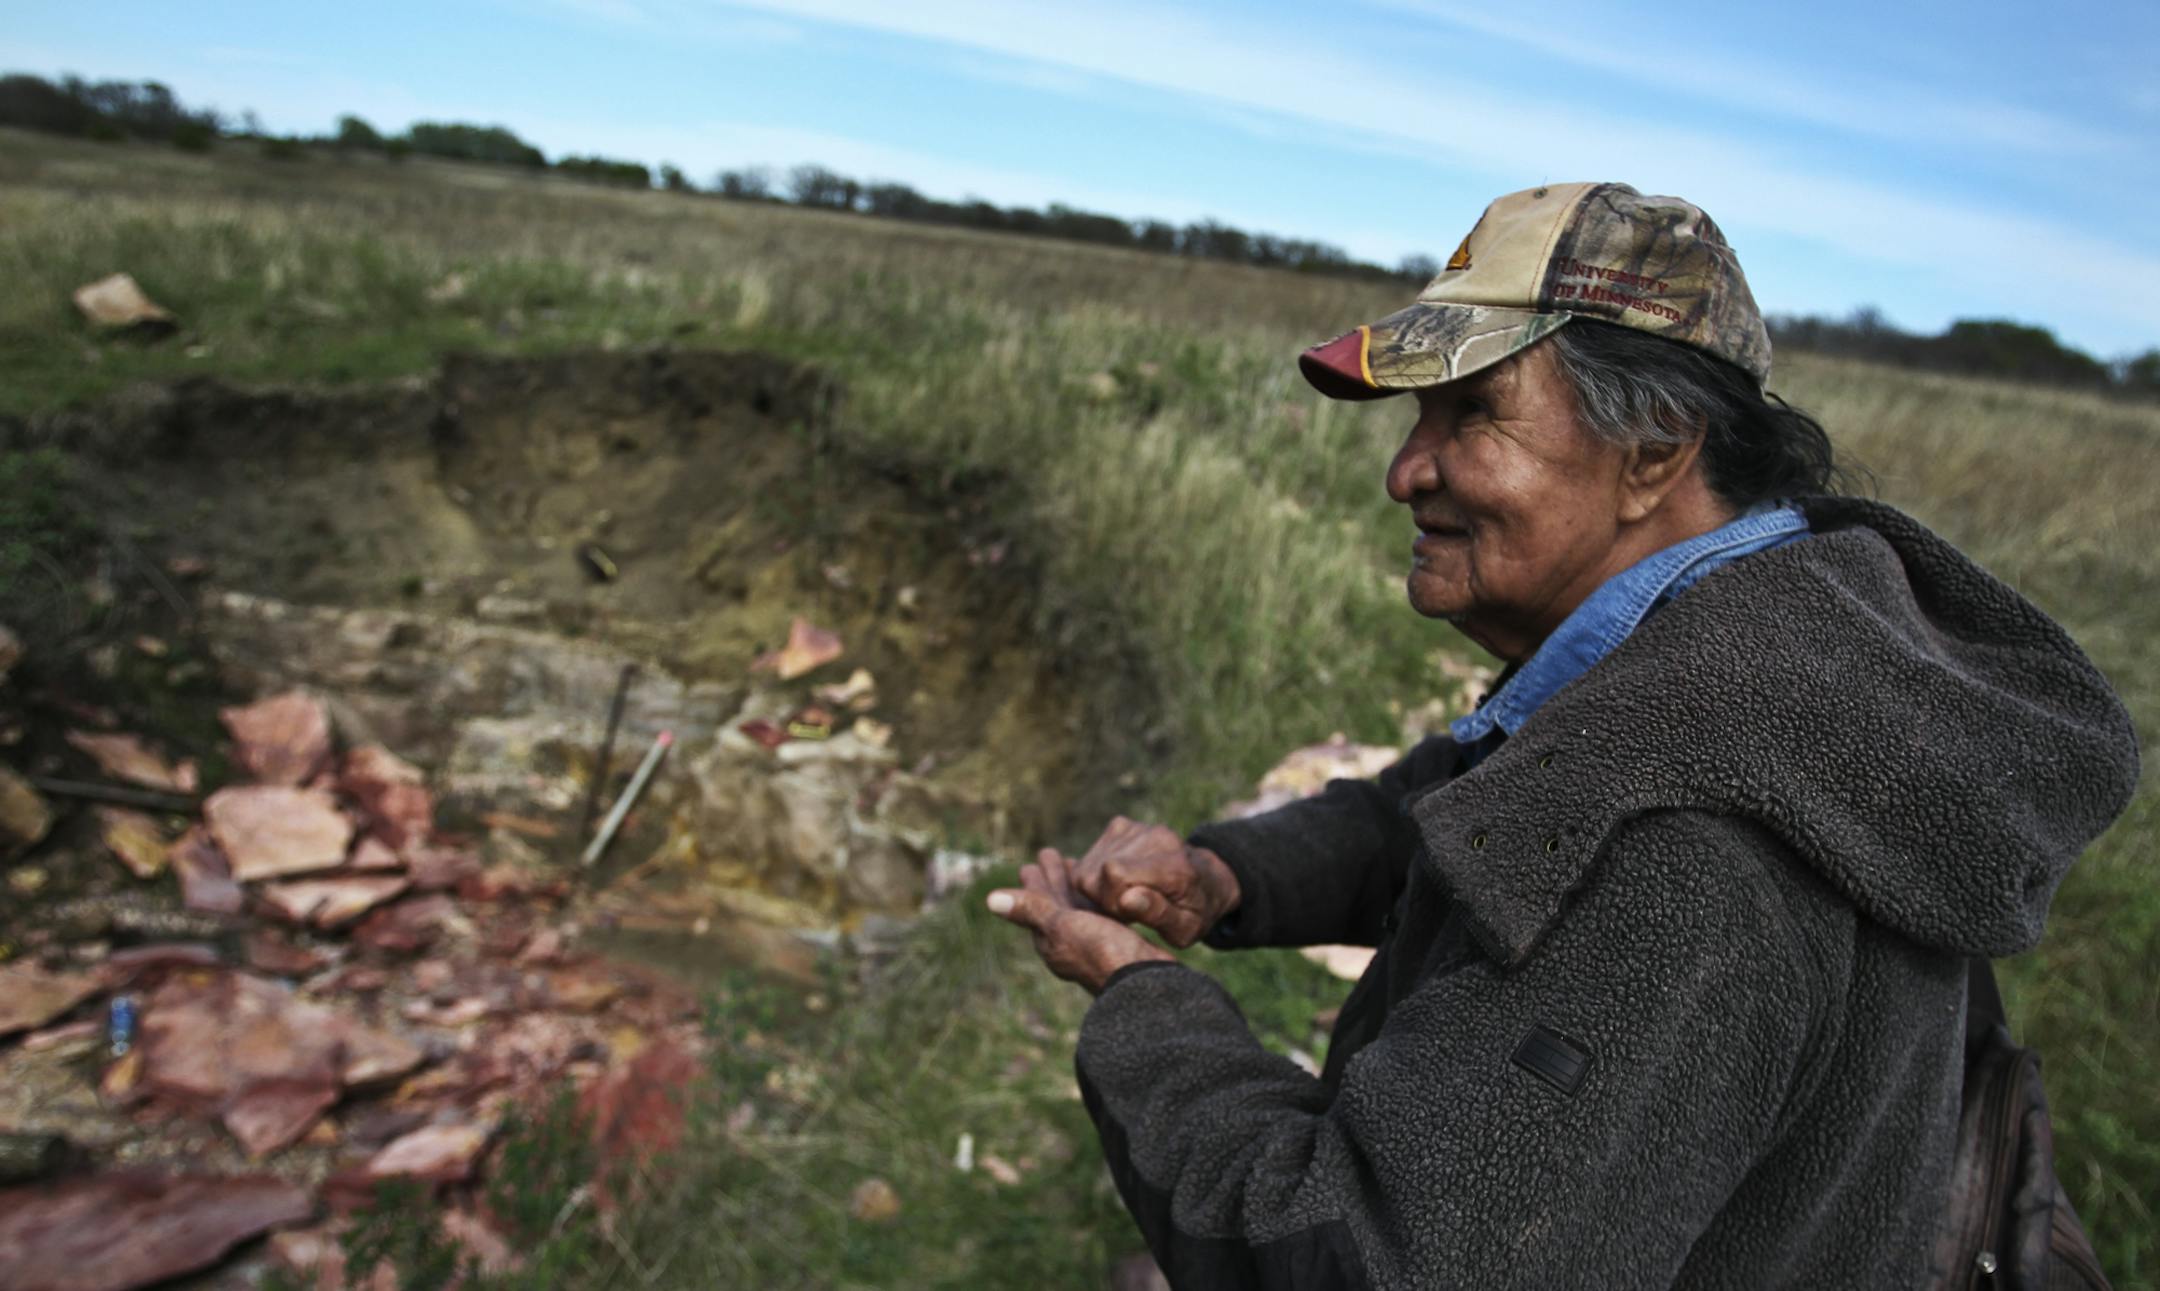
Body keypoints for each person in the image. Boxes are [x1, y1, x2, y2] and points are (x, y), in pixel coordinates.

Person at [986, 182, 2139, 1289]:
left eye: (1472, 412)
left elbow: (1373, 1264)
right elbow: (1474, 808)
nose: (1405, 470)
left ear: (1655, 451)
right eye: (1415, 415)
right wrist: (1226, 875)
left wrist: (1143, 1000)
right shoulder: (1779, 655)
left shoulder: (1688, 843)